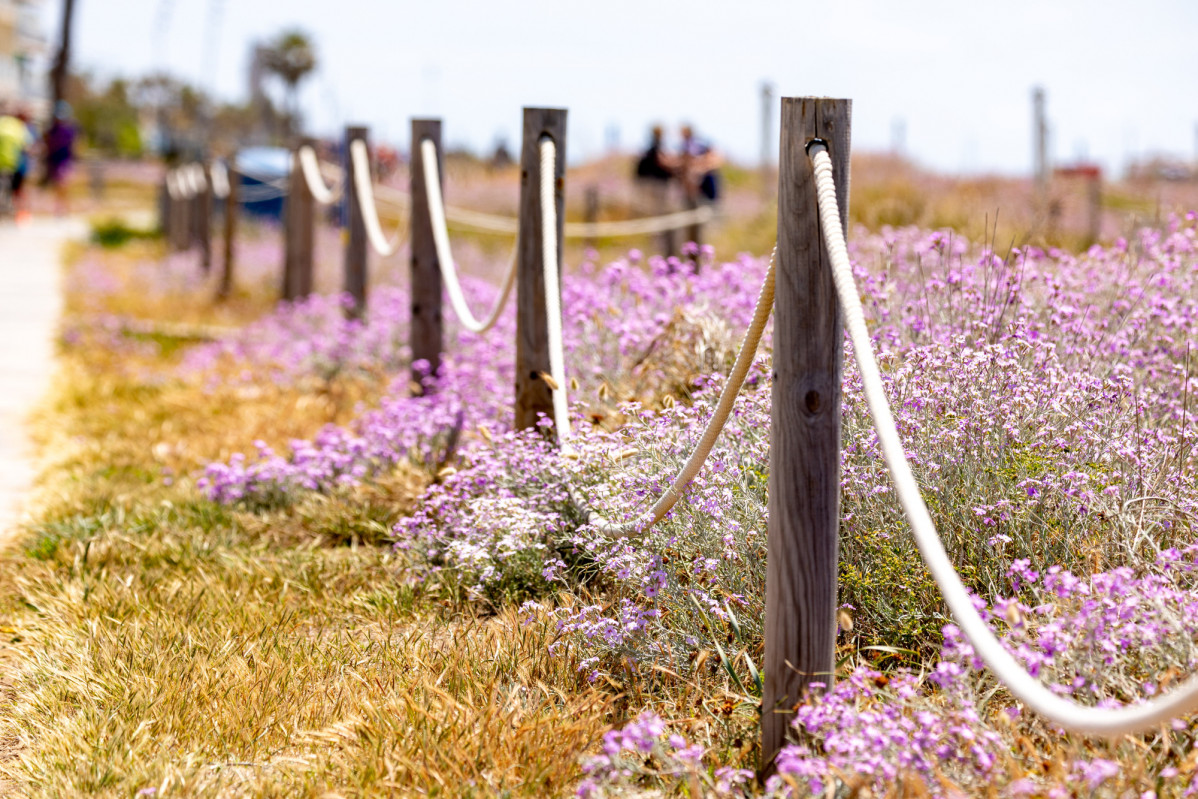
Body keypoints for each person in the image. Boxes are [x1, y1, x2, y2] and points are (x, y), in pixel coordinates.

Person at [634, 125, 679, 256]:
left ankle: (657, 245)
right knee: (658, 218)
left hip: (653, 187)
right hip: (657, 188)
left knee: (657, 218)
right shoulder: (657, 150)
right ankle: (658, 246)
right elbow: (663, 164)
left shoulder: (651, 149)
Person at [678, 124, 722, 248]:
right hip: (699, 195)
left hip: (706, 193)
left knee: (708, 227)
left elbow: (714, 160)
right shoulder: (691, 146)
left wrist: (699, 168)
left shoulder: (695, 146)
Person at [0, 102, 34, 221]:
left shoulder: (2, 123)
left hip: (3, 163)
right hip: (14, 163)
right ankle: (20, 214)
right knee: (17, 190)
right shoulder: (18, 126)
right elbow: (27, 145)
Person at [42, 101, 77, 216]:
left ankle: (64, 208)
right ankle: (62, 208)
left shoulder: (70, 130)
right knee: (59, 186)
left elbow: (75, 145)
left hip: (65, 160)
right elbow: (47, 143)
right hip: (55, 160)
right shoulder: (52, 130)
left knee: (63, 184)